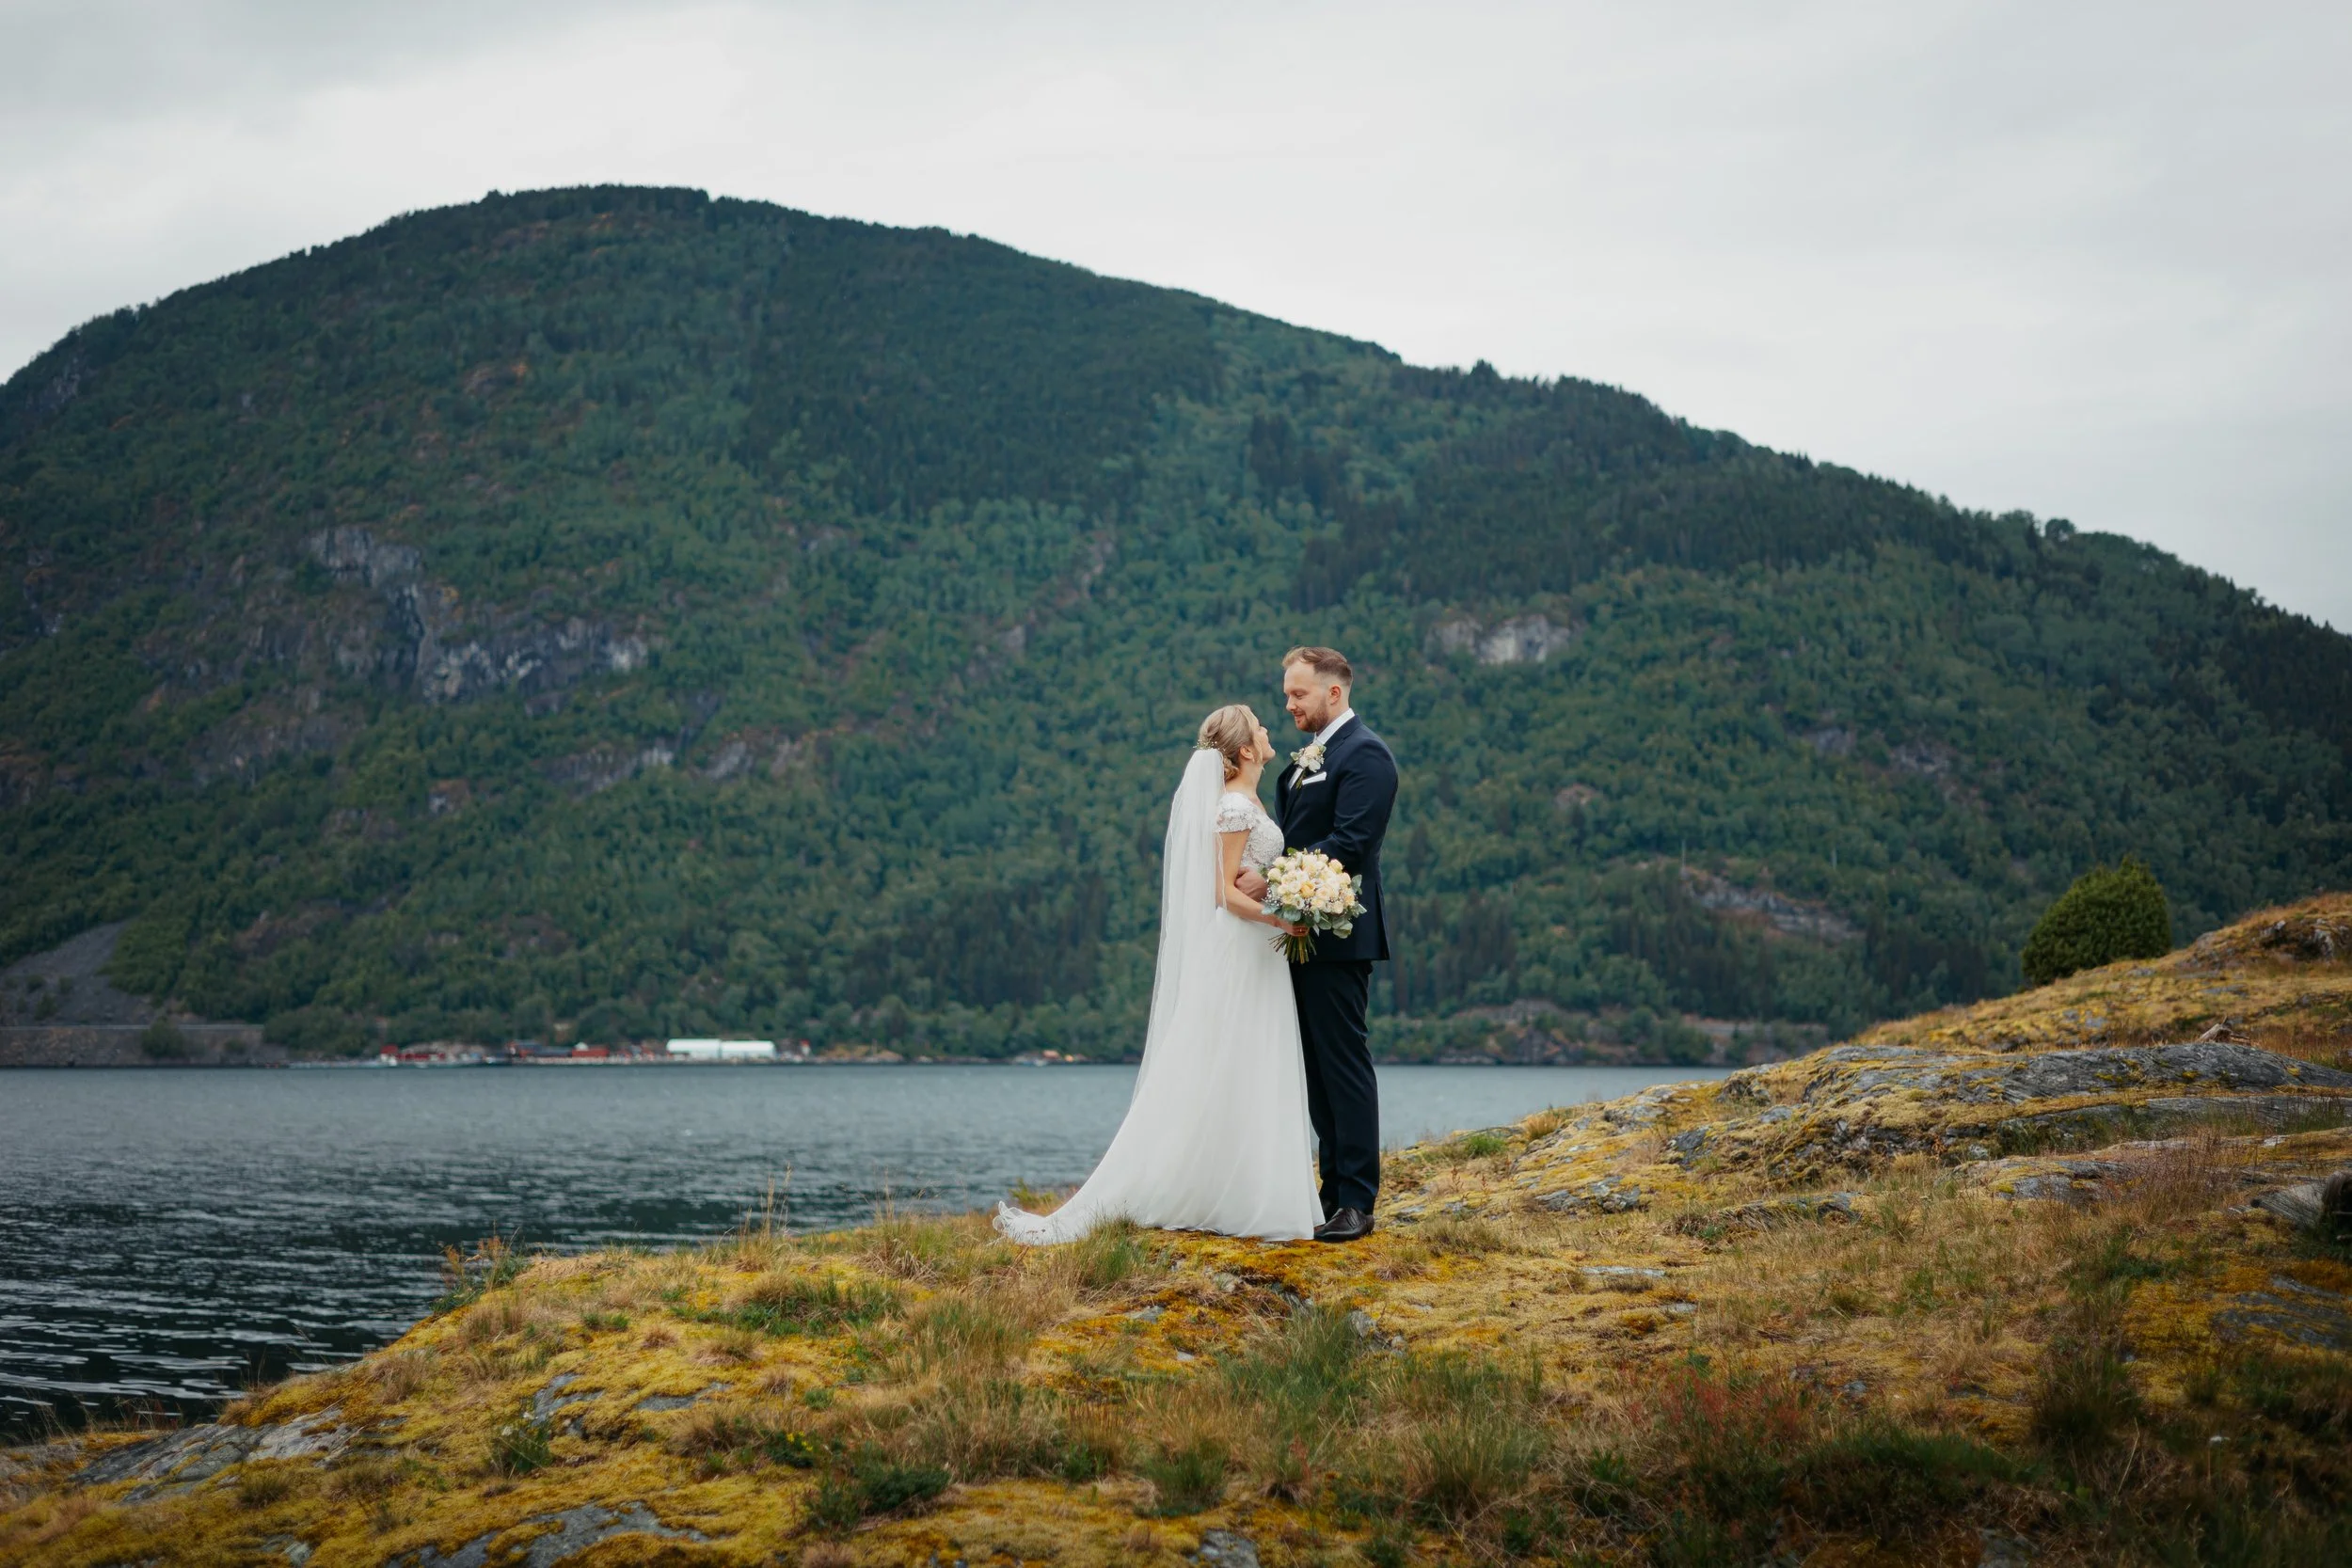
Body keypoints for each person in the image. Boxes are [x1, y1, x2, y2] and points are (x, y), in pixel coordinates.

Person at [993, 705, 1323, 1243]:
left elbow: (1248, 876)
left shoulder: (1251, 799)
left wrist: (1278, 890)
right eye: (1260, 727)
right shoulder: (1236, 806)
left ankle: (1249, 1191)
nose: (1268, 731)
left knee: (1250, 1064)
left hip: (1258, 950)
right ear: (1244, 751)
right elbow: (1222, 892)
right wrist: (1280, 916)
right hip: (1242, 948)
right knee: (1234, 1061)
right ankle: (1224, 1193)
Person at [1237, 646, 1396, 1243]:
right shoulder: (1312, 757)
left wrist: (1272, 883)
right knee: (1315, 1071)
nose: (1289, 704)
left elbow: (1350, 845)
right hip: (1300, 932)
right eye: (1286, 694)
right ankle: (1330, 1197)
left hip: (1340, 934)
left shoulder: (1368, 755)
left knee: (1344, 1064)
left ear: (1334, 693)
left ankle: (1358, 1200)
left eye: (1298, 694)